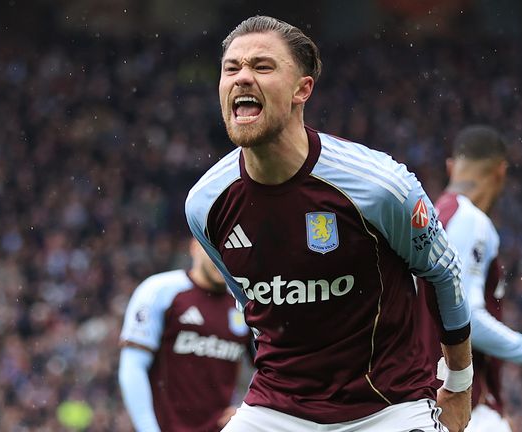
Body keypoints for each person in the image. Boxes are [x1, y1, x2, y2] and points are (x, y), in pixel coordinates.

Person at [185, 15, 473, 432]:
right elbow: (249, 305)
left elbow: (443, 274)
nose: (242, 77)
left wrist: (459, 382)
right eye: (232, 68)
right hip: (277, 410)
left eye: (262, 66)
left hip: (387, 407)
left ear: (303, 89)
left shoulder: (379, 185)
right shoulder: (205, 204)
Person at [420, 125, 522, 431]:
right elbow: (467, 319)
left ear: (451, 167)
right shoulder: (471, 220)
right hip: (463, 402)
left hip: (432, 398)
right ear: (501, 172)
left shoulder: (432, 216)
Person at [118, 239, 254, 431]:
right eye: (214, 251)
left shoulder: (244, 303)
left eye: (227, 253)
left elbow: (271, 366)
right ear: (195, 247)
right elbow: (132, 367)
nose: (221, 260)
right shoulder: (159, 290)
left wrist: (246, 411)